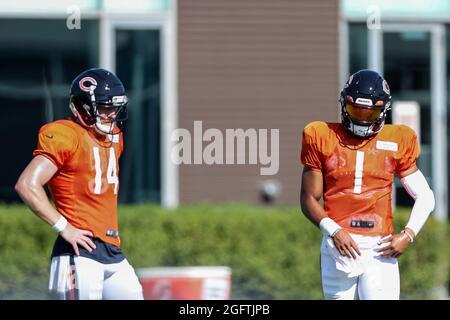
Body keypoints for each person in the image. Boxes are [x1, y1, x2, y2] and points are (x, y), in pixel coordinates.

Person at [300, 69, 435, 300]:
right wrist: (334, 232)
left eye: (370, 113)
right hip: (338, 244)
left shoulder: (398, 139)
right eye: (356, 110)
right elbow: (308, 198)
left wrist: (408, 235)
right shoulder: (321, 135)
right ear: (344, 104)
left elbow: (426, 196)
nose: (362, 119)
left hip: (379, 246)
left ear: (383, 111)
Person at [15, 68, 144, 300]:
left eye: (114, 108)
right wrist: (64, 227)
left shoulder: (113, 137)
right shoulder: (65, 134)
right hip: (78, 250)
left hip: (111, 249)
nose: (111, 115)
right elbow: (26, 185)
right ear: (83, 108)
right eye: (104, 109)